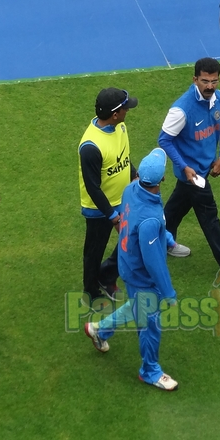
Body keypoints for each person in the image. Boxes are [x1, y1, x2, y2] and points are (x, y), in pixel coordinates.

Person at [84, 149, 180, 390]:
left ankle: (99, 329)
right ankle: (149, 371)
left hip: (126, 264)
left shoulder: (131, 189)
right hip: (141, 274)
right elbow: (154, 262)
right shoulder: (150, 221)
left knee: (138, 307)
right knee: (150, 323)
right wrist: (168, 292)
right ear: (161, 180)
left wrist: (166, 236)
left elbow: (135, 223)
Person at [158, 58, 220, 279]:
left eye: (213, 81)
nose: (210, 86)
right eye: (204, 81)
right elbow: (164, 139)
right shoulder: (181, 110)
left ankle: (159, 241)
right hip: (193, 176)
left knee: (174, 210)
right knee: (209, 217)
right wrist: (184, 167)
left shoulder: (219, 98)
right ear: (195, 80)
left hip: (203, 169)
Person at [78, 88, 138, 304]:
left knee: (130, 238)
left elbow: (123, 156)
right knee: (94, 251)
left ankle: (107, 275)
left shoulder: (120, 126)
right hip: (99, 209)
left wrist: (135, 175)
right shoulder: (90, 147)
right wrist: (112, 216)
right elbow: (93, 187)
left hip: (123, 199)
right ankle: (91, 291)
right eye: (125, 108)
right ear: (115, 113)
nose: (128, 110)